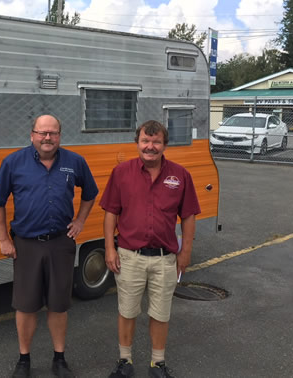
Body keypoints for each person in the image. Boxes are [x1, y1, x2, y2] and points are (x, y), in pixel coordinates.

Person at [0, 114, 98, 378]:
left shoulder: (75, 162)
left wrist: (80, 221)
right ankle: (24, 360)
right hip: (26, 245)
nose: (47, 137)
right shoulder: (13, 163)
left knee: (58, 305)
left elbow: (90, 193)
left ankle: (59, 359)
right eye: (42, 133)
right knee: (26, 306)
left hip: (61, 243)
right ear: (32, 135)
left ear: (60, 135)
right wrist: (4, 239)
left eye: (53, 132)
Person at [100, 120, 201, 378]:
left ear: (165, 145)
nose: (150, 147)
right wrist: (109, 249)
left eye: (156, 142)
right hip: (129, 256)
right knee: (127, 310)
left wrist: (185, 251)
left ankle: (158, 363)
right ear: (137, 143)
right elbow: (111, 212)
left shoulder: (180, 175)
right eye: (145, 141)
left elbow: (188, 215)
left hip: (164, 258)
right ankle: (125, 361)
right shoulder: (121, 173)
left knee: (160, 312)